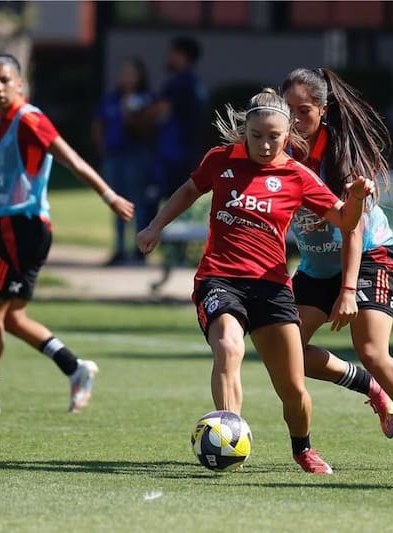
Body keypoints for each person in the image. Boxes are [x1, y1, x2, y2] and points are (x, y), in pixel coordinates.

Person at [136, 88, 375, 474]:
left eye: (274, 137)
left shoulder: (298, 176)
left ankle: (303, 450)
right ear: (245, 131)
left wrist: (358, 198)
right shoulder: (220, 160)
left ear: (288, 135)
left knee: (293, 389)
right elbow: (189, 189)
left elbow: (347, 222)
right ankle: (229, 443)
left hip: (272, 287)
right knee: (229, 347)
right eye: (257, 135)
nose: (265, 145)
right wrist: (155, 226)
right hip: (219, 279)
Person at [282, 68, 393, 473]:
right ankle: (369, 386)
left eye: (303, 110)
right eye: (287, 109)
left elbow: (354, 230)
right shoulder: (278, 150)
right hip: (316, 265)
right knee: (285, 348)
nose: (293, 120)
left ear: (323, 111)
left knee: (373, 349)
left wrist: (347, 291)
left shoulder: (339, 158)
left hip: (367, 257)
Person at [0, 54, 134, 414]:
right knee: (11, 317)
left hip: (23, 227)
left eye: (4, 80)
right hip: (13, 228)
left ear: (20, 83)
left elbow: (72, 159)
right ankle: (75, 369)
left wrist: (109, 195)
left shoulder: (30, 120)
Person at [140, 36, 207, 231]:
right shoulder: (196, 83)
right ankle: (179, 250)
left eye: (172, 53)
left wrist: (141, 113)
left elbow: (159, 111)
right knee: (182, 202)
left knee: (152, 197)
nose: (168, 57)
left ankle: (142, 246)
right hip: (187, 151)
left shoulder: (178, 83)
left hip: (170, 154)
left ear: (182, 55)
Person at [92, 57, 154, 266]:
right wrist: (103, 148)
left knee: (137, 201)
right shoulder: (111, 99)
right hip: (114, 156)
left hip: (136, 156)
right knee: (116, 202)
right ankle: (119, 249)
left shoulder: (145, 99)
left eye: (131, 73)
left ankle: (139, 250)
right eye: (123, 73)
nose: (126, 77)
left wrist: (131, 114)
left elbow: (147, 129)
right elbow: (99, 124)